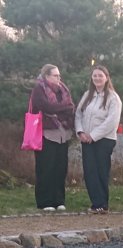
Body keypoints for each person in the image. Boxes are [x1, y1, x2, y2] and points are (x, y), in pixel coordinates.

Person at [75, 65, 122, 214]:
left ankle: (103, 204)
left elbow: (112, 121)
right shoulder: (87, 95)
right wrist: (81, 132)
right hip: (86, 140)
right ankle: (96, 203)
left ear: (106, 78)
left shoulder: (113, 98)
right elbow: (78, 114)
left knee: (101, 171)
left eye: (100, 75)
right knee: (90, 171)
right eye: (95, 75)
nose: (97, 78)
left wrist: (93, 135)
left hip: (104, 140)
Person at [29, 63, 75, 211]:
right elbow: (46, 107)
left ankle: (59, 200)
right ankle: (45, 201)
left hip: (63, 134)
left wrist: (58, 110)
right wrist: (62, 109)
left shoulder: (63, 89)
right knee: (46, 168)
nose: (58, 78)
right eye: (55, 75)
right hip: (46, 134)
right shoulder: (39, 89)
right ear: (46, 76)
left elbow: (71, 107)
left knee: (60, 168)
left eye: (59, 75)